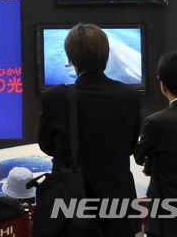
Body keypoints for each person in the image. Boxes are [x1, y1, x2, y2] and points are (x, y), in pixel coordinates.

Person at [38, 23, 141, 237]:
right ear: (106, 55)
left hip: (70, 209)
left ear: (71, 58)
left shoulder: (55, 97)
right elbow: (131, 146)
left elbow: (46, 145)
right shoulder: (129, 96)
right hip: (118, 206)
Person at [134, 51, 177, 236]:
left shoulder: (155, 122)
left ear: (162, 86)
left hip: (166, 217)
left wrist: (151, 161)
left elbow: (139, 156)